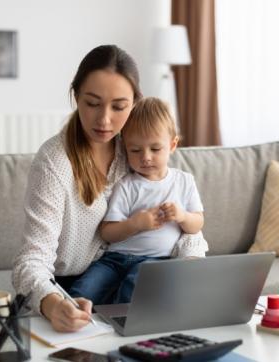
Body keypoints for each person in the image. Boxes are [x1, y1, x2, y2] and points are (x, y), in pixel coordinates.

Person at [12, 45, 208, 333]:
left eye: (119, 107)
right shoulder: (54, 162)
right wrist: (52, 303)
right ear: (76, 96)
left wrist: (188, 264)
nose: (104, 120)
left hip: (144, 275)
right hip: (73, 290)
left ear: (134, 104)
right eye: (92, 103)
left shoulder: (135, 150)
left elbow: (186, 226)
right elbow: (32, 259)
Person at [68, 97, 205, 305]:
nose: (146, 157)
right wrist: (136, 224)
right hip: (114, 259)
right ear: (124, 148)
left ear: (173, 144)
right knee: (83, 289)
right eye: (135, 150)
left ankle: (119, 326)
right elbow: (107, 232)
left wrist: (182, 216)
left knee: (135, 288)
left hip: (155, 261)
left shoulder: (183, 181)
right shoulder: (126, 184)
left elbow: (197, 224)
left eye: (155, 149)